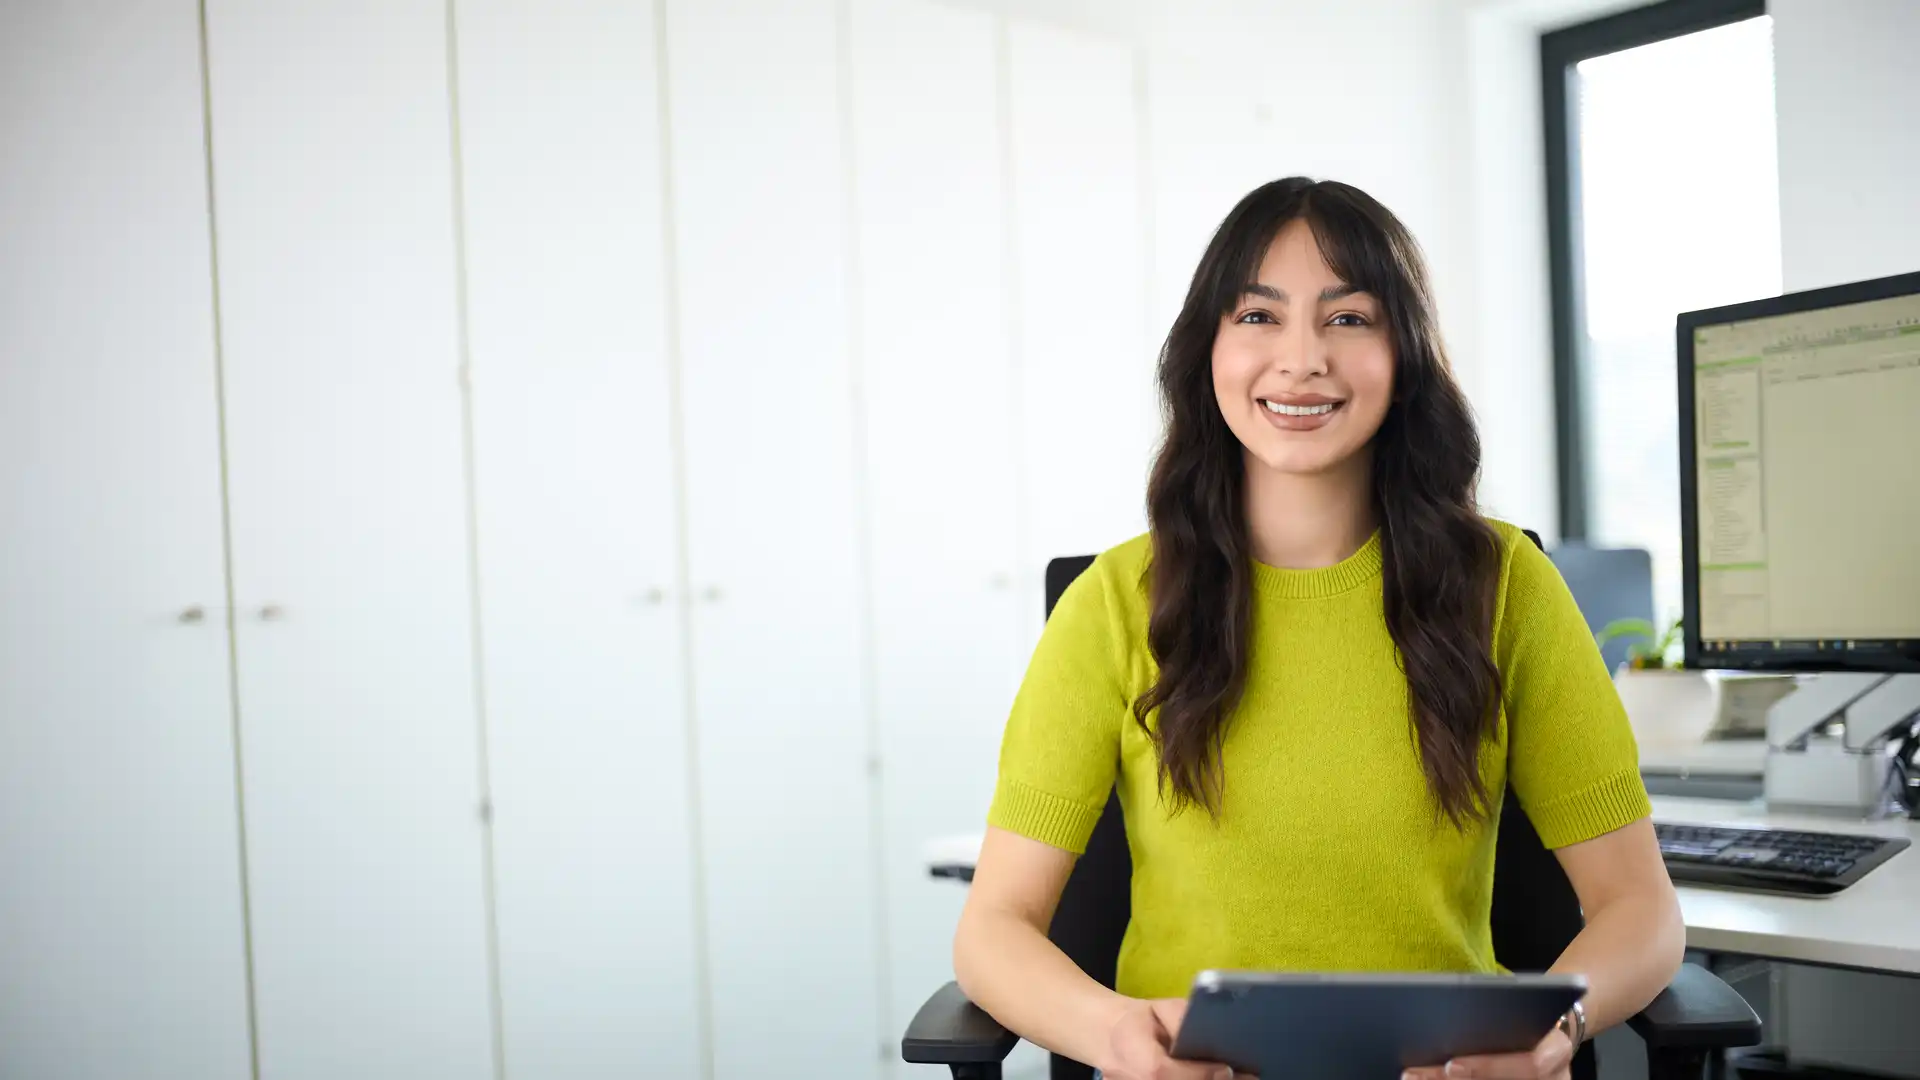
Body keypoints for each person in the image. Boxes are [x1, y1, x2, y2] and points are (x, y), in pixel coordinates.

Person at [950, 177, 1684, 1080]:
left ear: (1405, 353)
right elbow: (993, 930)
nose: (1301, 360)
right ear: (1206, 349)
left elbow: (1641, 909)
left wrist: (1550, 1036)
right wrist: (1116, 1036)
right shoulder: (1113, 601)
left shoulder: (1504, 587)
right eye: (1258, 316)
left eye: (1348, 318)